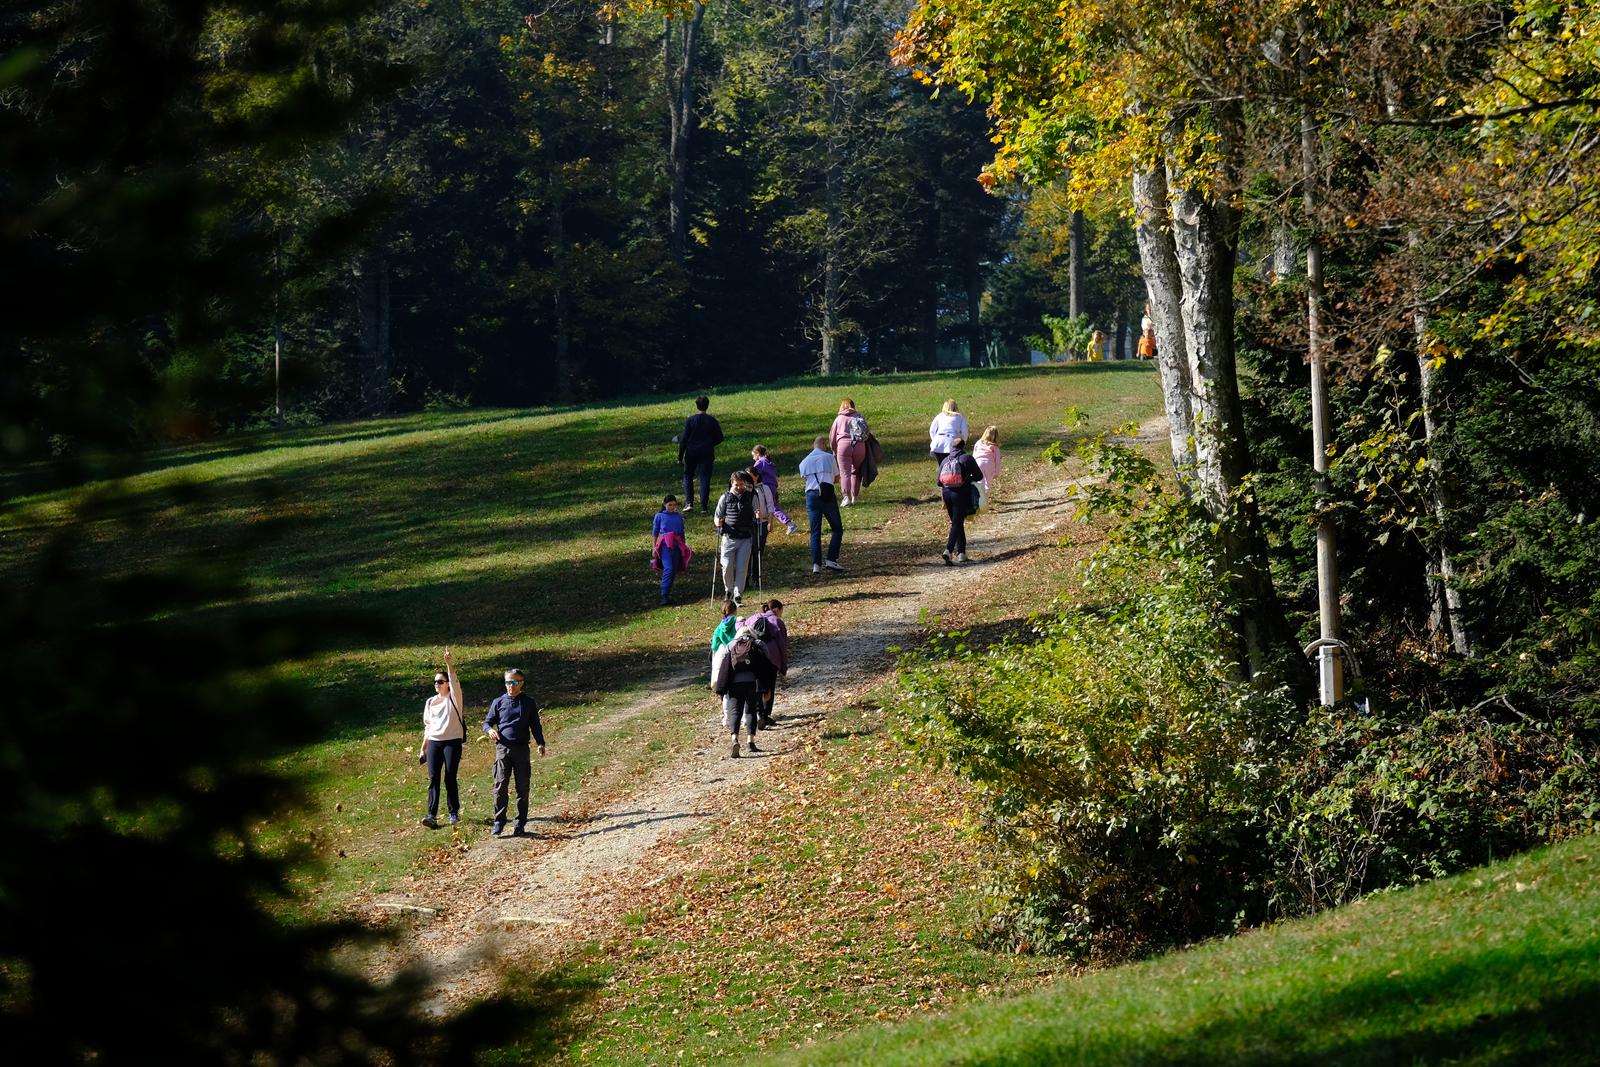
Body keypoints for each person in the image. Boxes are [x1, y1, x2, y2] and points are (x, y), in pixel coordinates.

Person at [482, 668, 547, 837]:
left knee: (522, 787)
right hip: (503, 749)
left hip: (521, 750)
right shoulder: (498, 702)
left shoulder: (528, 703)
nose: (511, 686)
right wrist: (489, 731)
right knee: (500, 785)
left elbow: (535, 726)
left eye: (515, 682)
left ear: (521, 683)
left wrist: (540, 743)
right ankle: (499, 821)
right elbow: (487, 723)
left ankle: (520, 823)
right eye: (508, 682)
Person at [711, 622, 777, 758]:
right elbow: (766, 666)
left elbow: (724, 666)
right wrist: (766, 688)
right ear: (752, 633)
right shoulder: (759, 644)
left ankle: (734, 739)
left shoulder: (731, 645)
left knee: (736, 711)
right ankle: (750, 741)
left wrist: (722, 688)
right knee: (751, 710)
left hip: (735, 684)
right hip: (753, 683)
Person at [417, 647, 465, 829]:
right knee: (433, 779)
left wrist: (449, 663)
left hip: (452, 742)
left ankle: (453, 813)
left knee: (450, 777)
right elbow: (428, 727)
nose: (437, 684)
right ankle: (431, 815)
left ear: (447, 684)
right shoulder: (430, 702)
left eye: (440, 681)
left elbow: (453, 678)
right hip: (435, 743)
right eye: (435, 682)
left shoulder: (454, 697)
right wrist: (423, 748)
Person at [713, 470, 764, 605]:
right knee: (727, 565)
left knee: (742, 568)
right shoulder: (725, 497)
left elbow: (757, 511)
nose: (739, 487)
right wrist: (718, 522)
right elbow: (717, 516)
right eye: (737, 484)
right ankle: (728, 590)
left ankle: (738, 595)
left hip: (745, 537)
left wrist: (758, 515)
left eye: (741, 484)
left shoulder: (751, 496)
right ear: (732, 483)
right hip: (729, 537)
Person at [798, 434, 845, 574]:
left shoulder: (804, 461)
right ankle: (831, 559)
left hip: (811, 496)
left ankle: (816, 564)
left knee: (815, 531)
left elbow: (805, 478)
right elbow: (836, 478)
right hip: (826, 495)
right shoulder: (829, 457)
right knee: (837, 528)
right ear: (824, 445)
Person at [937, 436, 984, 565]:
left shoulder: (945, 460)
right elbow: (979, 476)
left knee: (957, 522)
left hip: (947, 494)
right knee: (957, 523)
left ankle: (962, 553)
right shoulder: (967, 458)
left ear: (952, 447)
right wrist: (968, 478)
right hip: (960, 494)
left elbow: (938, 482)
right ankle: (948, 550)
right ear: (963, 446)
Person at [677, 395, 724, 514]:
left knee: (688, 475)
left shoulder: (691, 420)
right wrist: (710, 443)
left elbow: (684, 439)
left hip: (691, 451)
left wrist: (680, 456)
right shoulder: (711, 420)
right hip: (706, 452)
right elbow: (720, 437)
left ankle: (689, 503)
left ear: (696, 405)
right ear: (707, 406)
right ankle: (704, 507)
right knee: (705, 478)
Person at [749, 599, 789, 726]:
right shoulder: (777, 621)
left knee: (757, 685)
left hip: (754, 656)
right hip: (772, 658)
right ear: (776, 609)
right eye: (781, 611)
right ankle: (766, 715)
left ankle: (759, 713)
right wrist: (783, 664)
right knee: (769, 686)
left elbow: (740, 627)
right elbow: (782, 645)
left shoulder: (753, 618)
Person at [650, 494, 692, 606]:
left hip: (677, 545)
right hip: (665, 545)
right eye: (670, 505)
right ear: (664, 504)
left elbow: (682, 532)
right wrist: (654, 547)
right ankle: (664, 595)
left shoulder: (678, 516)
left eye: (674, 505)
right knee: (668, 568)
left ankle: (667, 594)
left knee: (673, 570)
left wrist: (683, 545)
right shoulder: (659, 516)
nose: (672, 507)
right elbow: (654, 533)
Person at [828, 398, 869, 506]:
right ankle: (855, 497)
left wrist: (834, 450)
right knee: (855, 472)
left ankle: (846, 498)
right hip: (859, 445)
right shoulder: (859, 416)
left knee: (845, 473)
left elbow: (832, 437)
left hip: (843, 446)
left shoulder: (839, 419)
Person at [750, 445, 797, 534]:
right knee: (774, 506)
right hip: (773, 486)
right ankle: (788, 523)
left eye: (753, 455)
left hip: (766, 488)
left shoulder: (760, 462)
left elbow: (752, 473)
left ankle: (789, 524)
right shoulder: (769, 462)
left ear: (758, 454)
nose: (753, 458)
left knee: (772, 508)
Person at [745, 467, 777, 592]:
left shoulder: (765, 488)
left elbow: (770, 505)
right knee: (748, 551)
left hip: (761, 523)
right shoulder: (746, 489)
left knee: (758, 550)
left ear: (756, 476)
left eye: (749, 476)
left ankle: (755, 578)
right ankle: (746, 578)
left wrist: (770, 522)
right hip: (748, 524)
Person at [928, 398, 969, 467]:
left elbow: (932, 430)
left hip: (937, 444)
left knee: (941, 466)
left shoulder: (939, 416)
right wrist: (963, 442)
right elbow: (964, 432)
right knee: (952, 467)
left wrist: (935, 439)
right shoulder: (960, 416)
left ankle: (941, 477)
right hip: (951, 444)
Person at [973, 426, 1002, 511]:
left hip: (978, 463)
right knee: (987, 484)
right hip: (989, 464)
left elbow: (974, 454)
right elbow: (997, 461)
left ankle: (978, 501)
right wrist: (997, 472)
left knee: (979, 482)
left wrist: (972, 467)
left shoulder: (978, 443)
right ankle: (985, 502)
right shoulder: (995, 447)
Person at [710, 598, 738, 673]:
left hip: (725, 655)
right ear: (735, 610)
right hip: (737, 653)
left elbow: (714, 646)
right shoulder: (738, 622)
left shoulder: (719, 627)